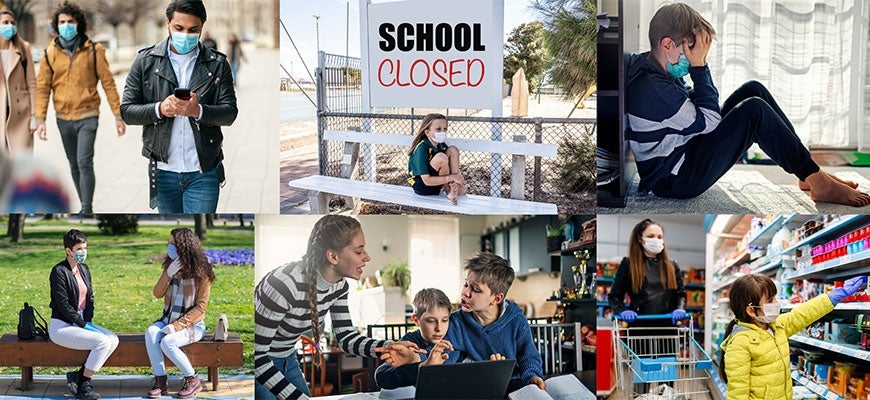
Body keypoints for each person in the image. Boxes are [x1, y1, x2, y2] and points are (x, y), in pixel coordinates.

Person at [626, 3, 870, 207]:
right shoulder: (653, 89)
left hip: (682, 150)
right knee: (755, 111)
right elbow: (710, 122)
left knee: (753, 90)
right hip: (675, 179)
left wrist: (698, 67)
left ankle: (808, 173)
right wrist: (700, 68)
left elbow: (691, 105)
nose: (692, 60)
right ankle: (818, 181)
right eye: (691, 51)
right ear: (667, 45)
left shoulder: (653, 67)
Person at [254, 215, 422, 399]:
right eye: (359, 251)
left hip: (288, 358)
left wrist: (388, 346)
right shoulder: (284, 285)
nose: (367, 257)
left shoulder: (339, 286)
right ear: (333, 256)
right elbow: (257, 357)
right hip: (261, 365)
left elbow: (347, 338)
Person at [121, 0, 238, 213]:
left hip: (204, 171)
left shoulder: (218, 64)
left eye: (193, 30)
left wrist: (198, 111)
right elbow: (127, 111)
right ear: (168, 23)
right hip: (163, 171)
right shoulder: (145, 61)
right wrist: (159, 109)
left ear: (202, 27)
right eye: (179, 28)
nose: (186, 34)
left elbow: (229, 113)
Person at [389, 252, 545, 393]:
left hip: (515, 388)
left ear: (496, 298)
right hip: (481, 389)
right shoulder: (457, 322)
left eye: (475, 290)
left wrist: (532, 377)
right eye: (465, 284)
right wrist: (415, 358)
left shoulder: (516, 319)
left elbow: (529, 356)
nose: (465, 293)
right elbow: (441, 356)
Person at [35, 1, 126, 214]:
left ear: (79, 24)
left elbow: (108, 83)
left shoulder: (94, 50)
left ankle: (86, 208)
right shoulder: (49, 54)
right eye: (62, 22)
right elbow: (42, 88)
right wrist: (40, 120)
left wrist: (117, 115)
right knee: (73, 164)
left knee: (84, 161)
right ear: (56, 26)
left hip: (88, 115)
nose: (66, 25)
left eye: (70, 21)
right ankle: (84, 201)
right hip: (63, 118)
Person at [719, 274, 867, 399]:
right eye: (770, 300)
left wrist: (832, 297)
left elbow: (803, 314)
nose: (777, 303)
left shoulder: (776, 327)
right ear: (751, 310)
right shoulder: (740, 343)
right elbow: (738, 393)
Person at [144, 228, 215, 399]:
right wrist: (168, 274)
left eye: (173, 244)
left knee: (167, 342)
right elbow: (157, 293)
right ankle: (161, 382)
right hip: (168, 318)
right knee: (151, 333)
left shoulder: (202, 274)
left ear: (185, 247)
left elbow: (201, 307)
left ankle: (193, 379)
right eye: (169, 243)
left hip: (193, 325)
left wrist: (176, 326)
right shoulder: (171, 267)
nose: (170, 247)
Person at [49, 229, 119, 400]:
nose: (83, 252)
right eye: (79, 249)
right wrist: (82, 324)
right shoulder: (59, 271)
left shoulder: (85, 269)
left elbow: (90, 298)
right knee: (102, 342)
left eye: (85, 248)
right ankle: (84, 385)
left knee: (113, 339)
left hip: (81, 323)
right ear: (68, 250)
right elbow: (63, 304)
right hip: (62, 326)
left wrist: (87, 321)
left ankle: (79, 377)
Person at [607, 218, 687, 325]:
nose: (656, 240)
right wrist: (623, 311)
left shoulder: (672, 265)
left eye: (660, 237)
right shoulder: (629, 264)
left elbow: (681, 294)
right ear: (640, 239)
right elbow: (614, 296)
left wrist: (680, 308)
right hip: (639, 327)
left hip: (667, 328)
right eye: (650, 236)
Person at [375, 288, 456, 389]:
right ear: (416, 320)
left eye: (444, 320)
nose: (439, 328)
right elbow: (381, 376)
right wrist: (421, 368)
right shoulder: (408, 342)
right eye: (431, 321)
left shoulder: (453, 340)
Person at [406, 113, 467, 205]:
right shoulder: (421, 148)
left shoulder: (440, 144)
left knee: (453, 150)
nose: (442, 132)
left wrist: (456, 180)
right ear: (427, 132)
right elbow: (427, 180)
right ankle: (448, 189)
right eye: (438, 129)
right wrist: (452, 177)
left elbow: (449, 162)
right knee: (441, 157)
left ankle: (455, 186)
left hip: (437, 184)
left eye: (445, 129)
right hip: (423, 186)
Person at [0, 9, 36, 154]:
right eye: (5, 23)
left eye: (12, 23)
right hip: (1, 113)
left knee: (20, 164)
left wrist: (34, 117)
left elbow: (32, 84)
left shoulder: (23, 48)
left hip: (21, 115)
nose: (9, 26)